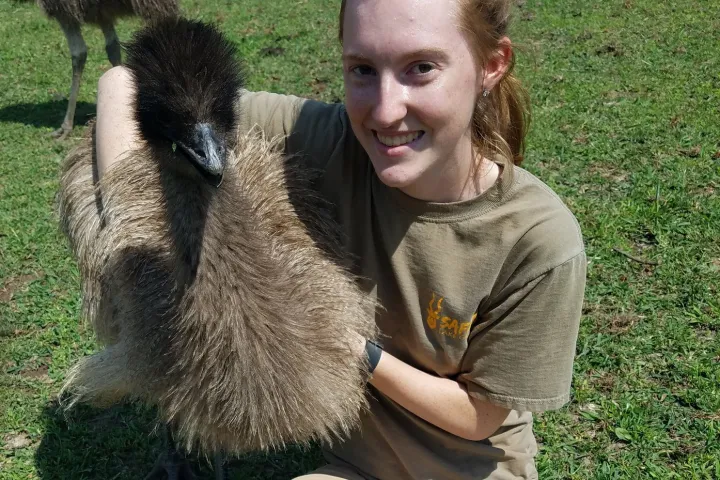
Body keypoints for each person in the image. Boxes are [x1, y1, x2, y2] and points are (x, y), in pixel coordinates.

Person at [94, 0, 586, 478]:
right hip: (357, 467)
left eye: (421, 67)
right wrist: (136, 226)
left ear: (491, 65)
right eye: (363, 69)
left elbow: (477, 416)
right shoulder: (335, 141)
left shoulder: (537, 240)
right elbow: (125, 84)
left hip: (471, 470)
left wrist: (347, 346)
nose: (387, 111)